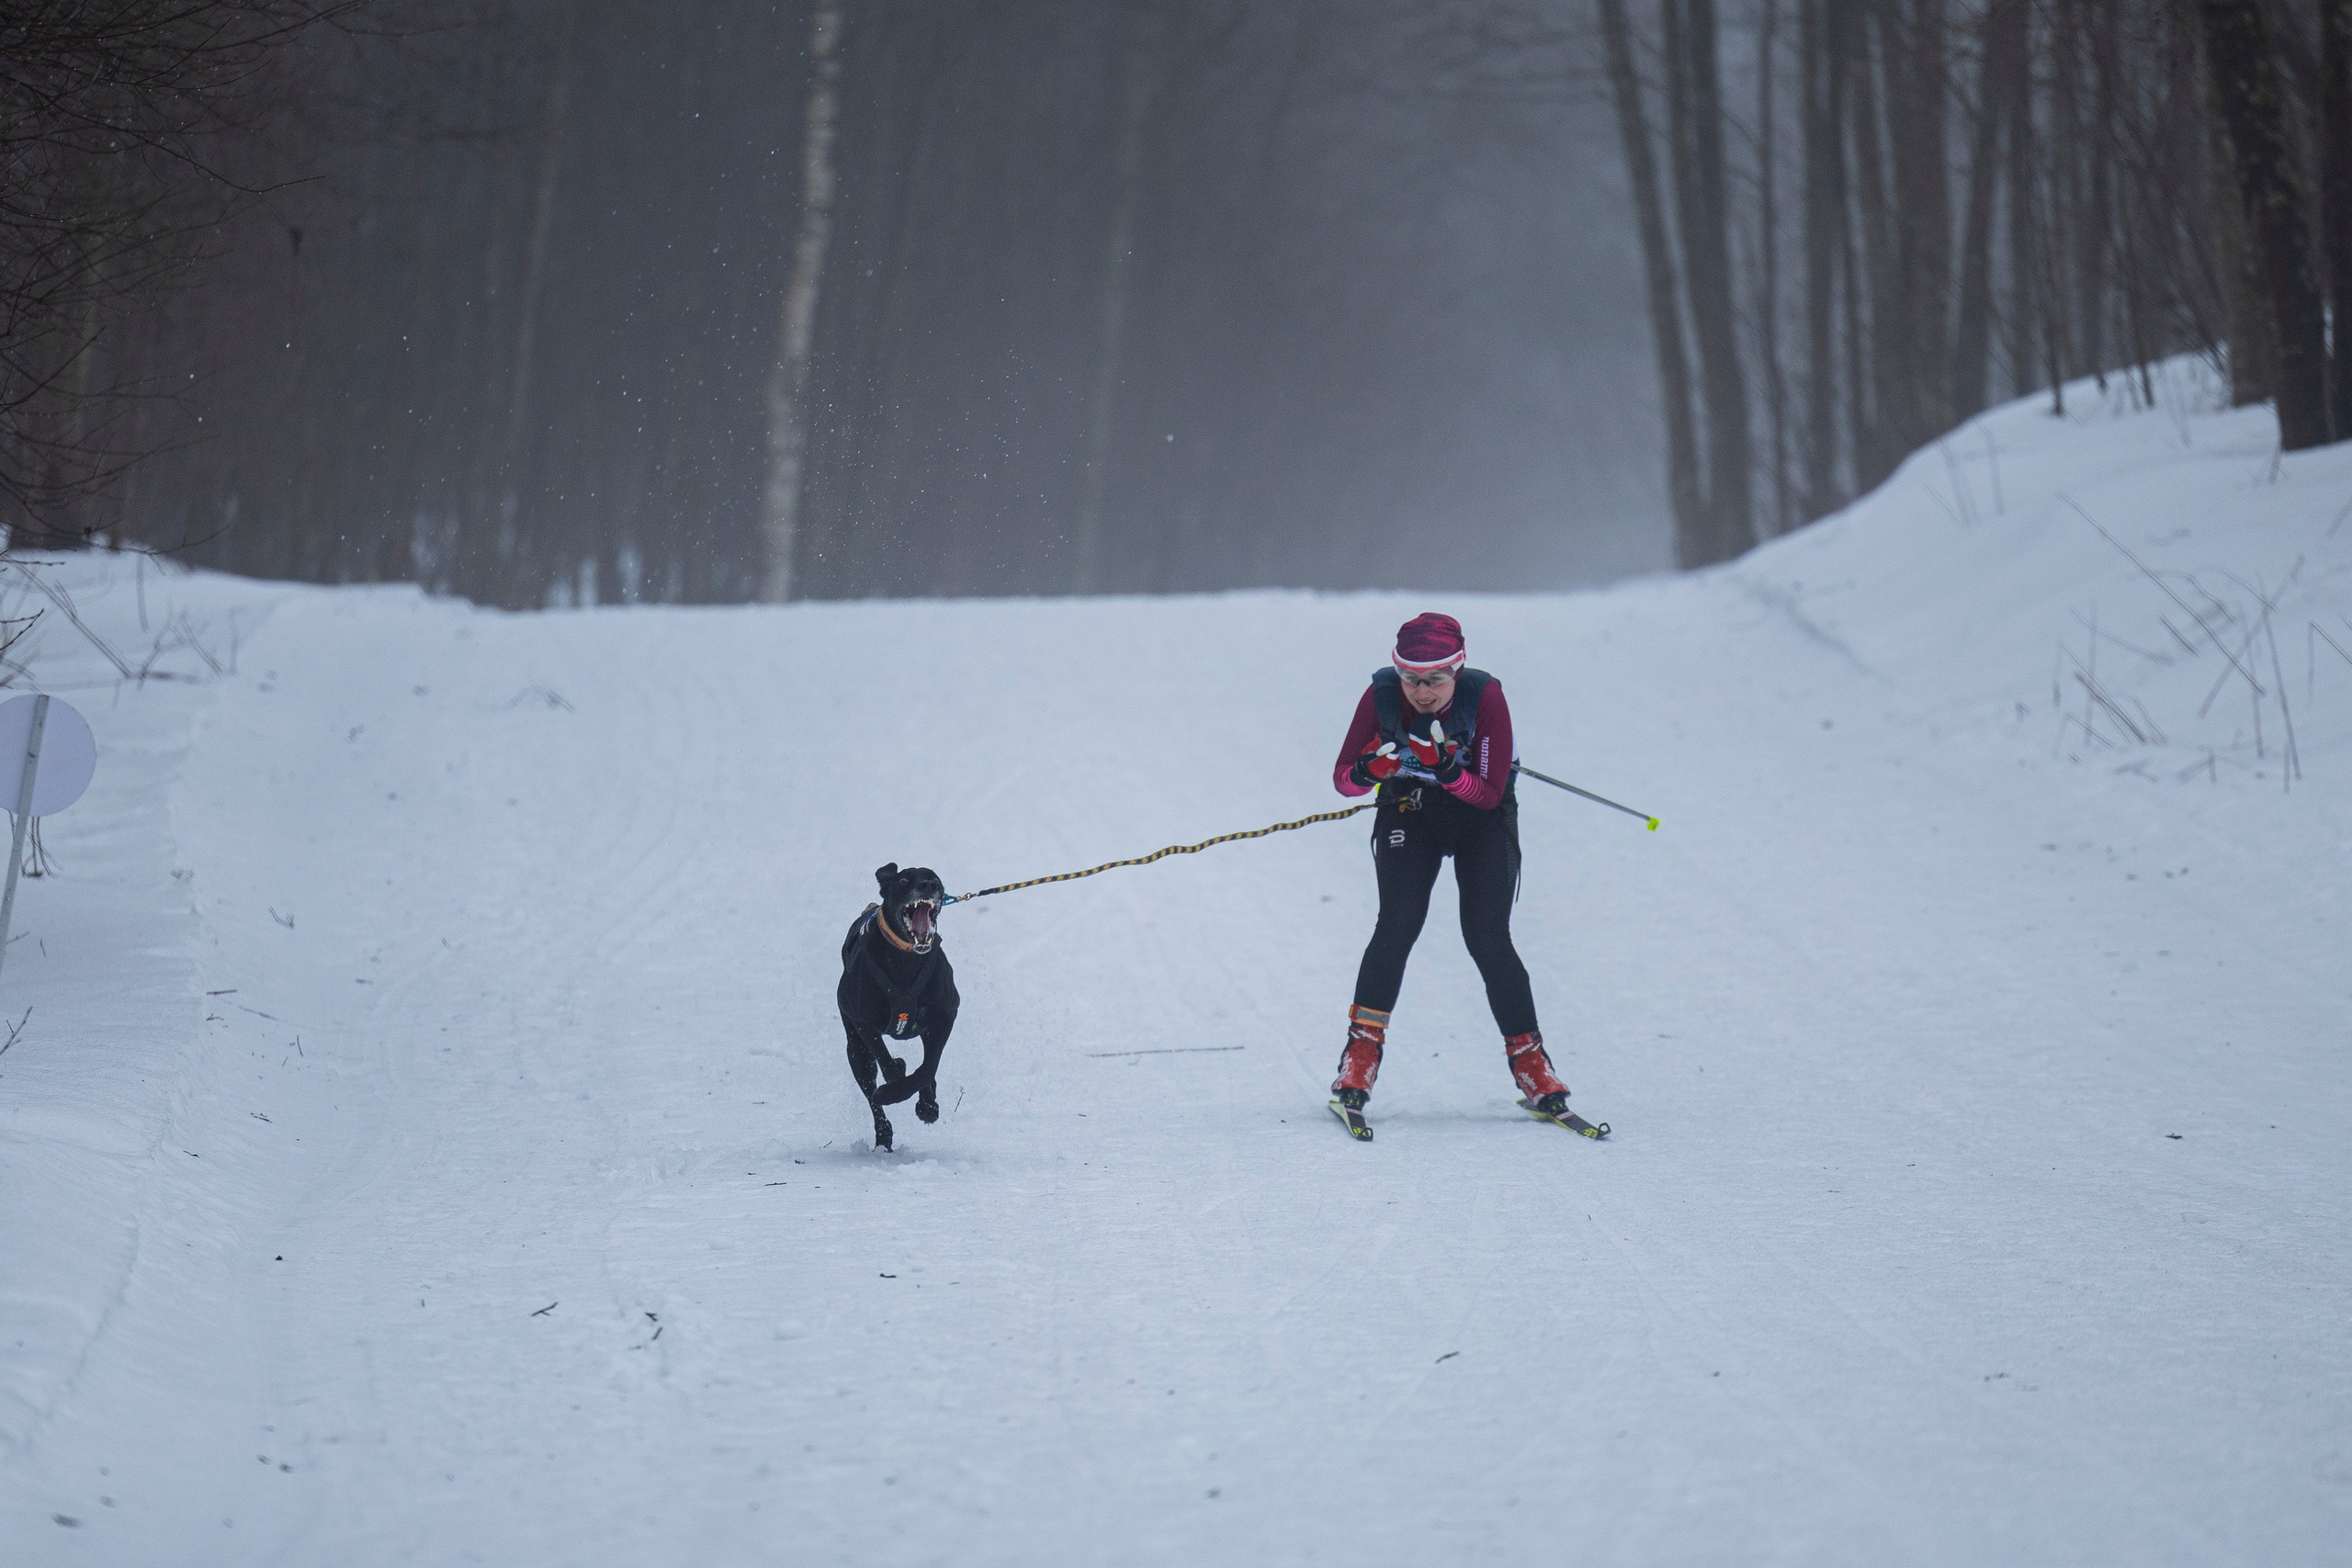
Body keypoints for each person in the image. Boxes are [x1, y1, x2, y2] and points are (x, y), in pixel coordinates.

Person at [1329, 611, 1572, 1122]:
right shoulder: (1380, 697)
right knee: (1396, 927)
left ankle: (1532, 1063)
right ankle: (1360, 1058)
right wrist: (1374, 769)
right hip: (1409, 812)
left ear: (1456, 672)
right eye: (1412, 679)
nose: (1422, 692)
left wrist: (1443, 767)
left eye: (1435, 680)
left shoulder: (1485, 697)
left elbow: (1486, 795)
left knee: (1487, 936)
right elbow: (1343, 781)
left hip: (1481, 819)